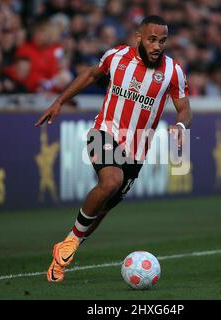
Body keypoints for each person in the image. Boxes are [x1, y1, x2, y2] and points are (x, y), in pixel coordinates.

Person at [35, 15, 192, 283]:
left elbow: (185, 108)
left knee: (104, 207)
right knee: (111, 181)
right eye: (152, 39)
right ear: (139, 37)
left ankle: (65, 251)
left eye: (162, 41)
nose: (157, 46)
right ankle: (71, 241)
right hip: (104, 132)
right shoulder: (117, 56)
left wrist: (180, 125)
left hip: (137, 149)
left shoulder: (172, 71)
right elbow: (91, 74)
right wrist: (60, 100)